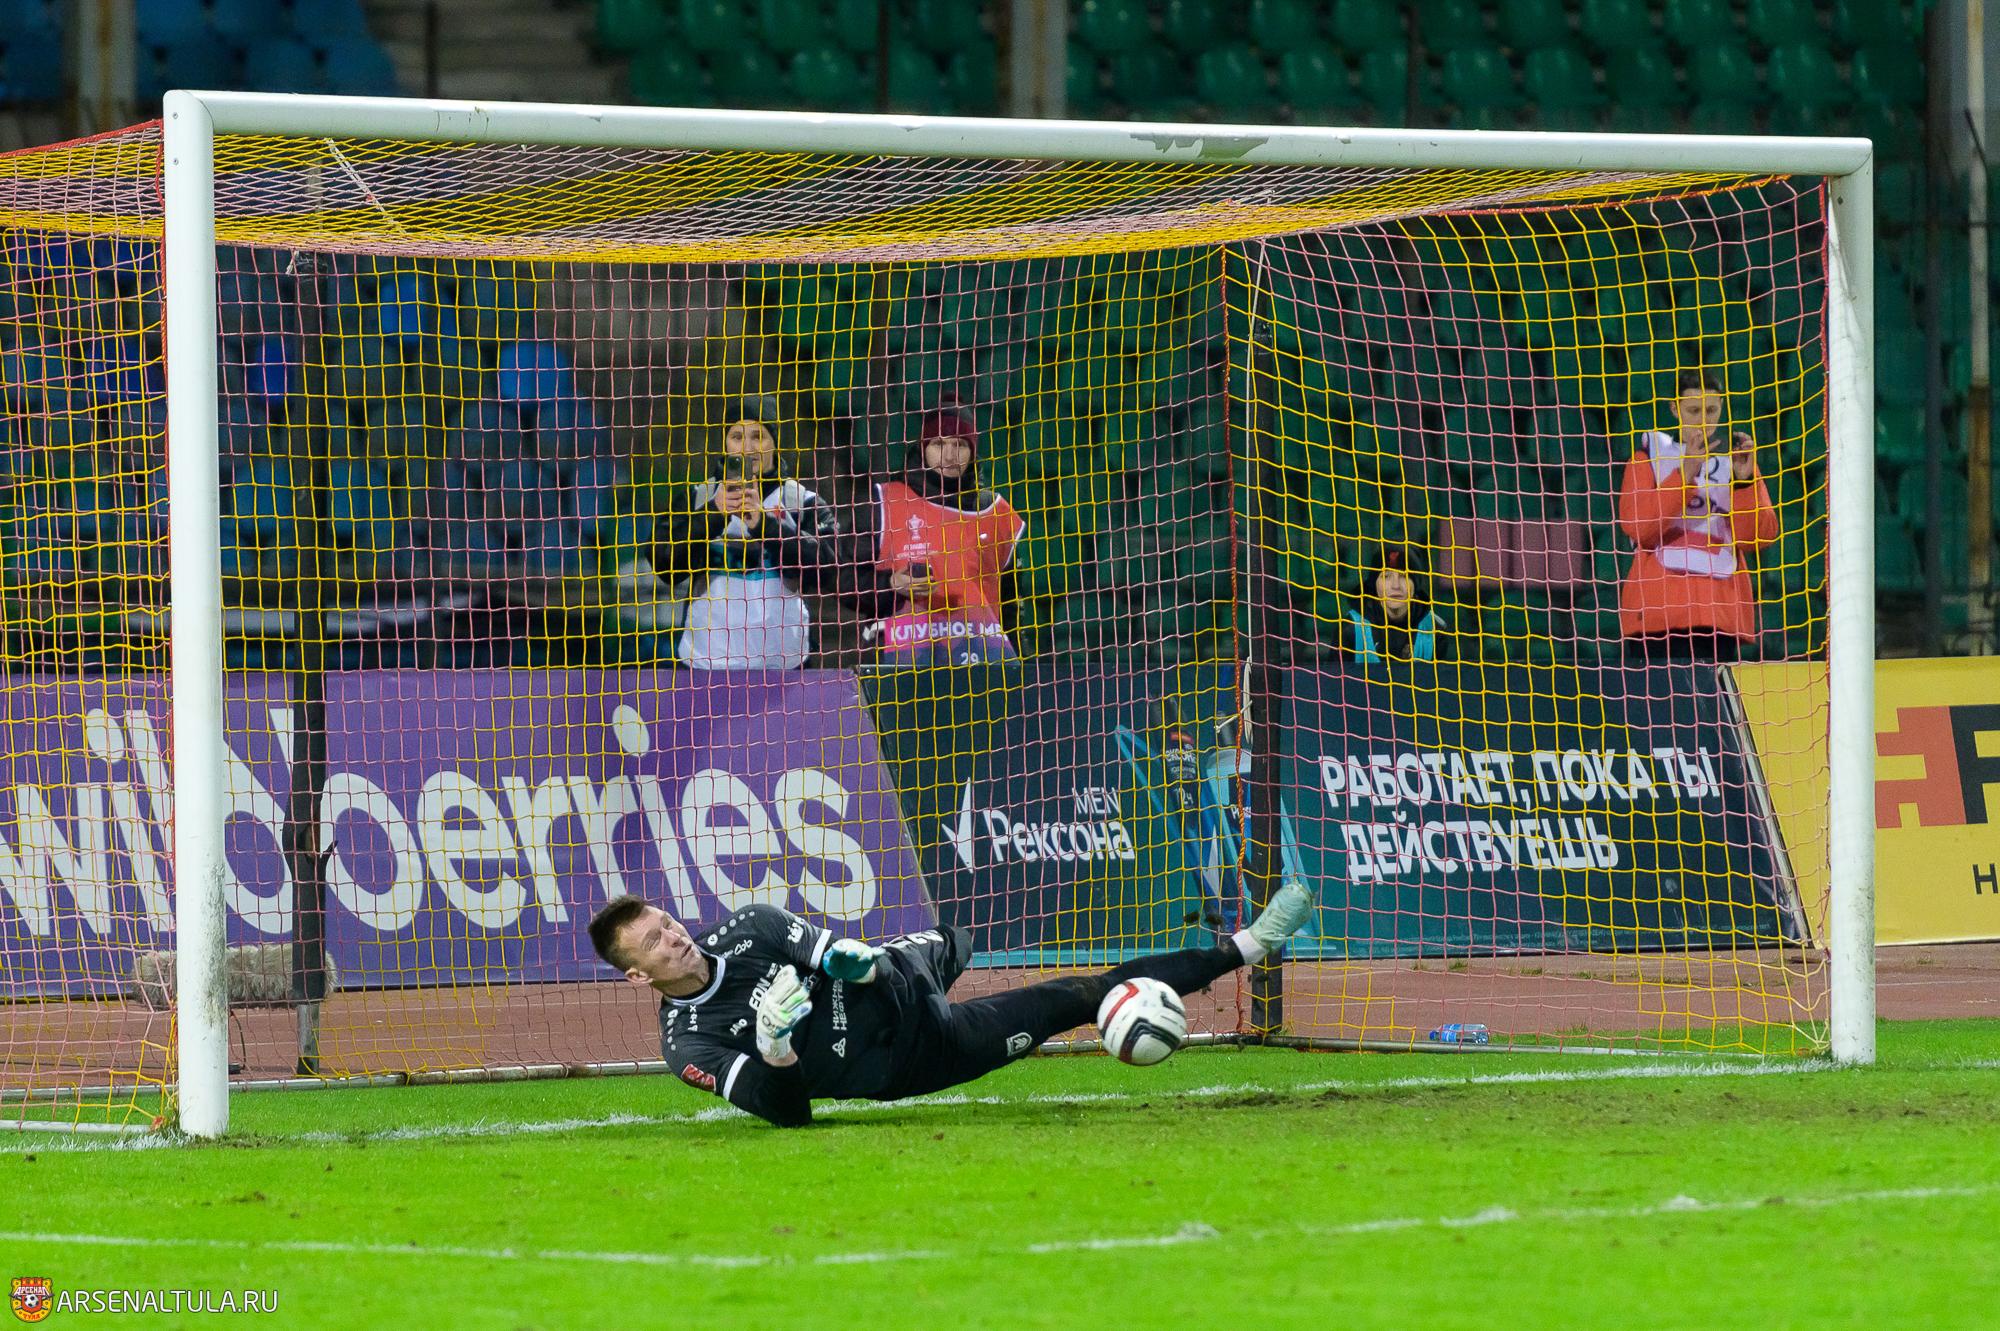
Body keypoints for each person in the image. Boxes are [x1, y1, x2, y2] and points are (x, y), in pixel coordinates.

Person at [586, 880, 1315, 1128]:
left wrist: (852, 960)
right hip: (920, 1054)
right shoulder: (688, 1044)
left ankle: (1247, 942)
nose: (673, 937)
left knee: (955, 937)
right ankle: (1248, 945)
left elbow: (839, 957)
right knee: (1074, 997)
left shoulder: (749, 926)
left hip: (896, 978)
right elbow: (788, 1114)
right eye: (653, 943)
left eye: (666, 922)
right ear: (638, 977)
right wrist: (776, 1048)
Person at [654, 401, 840, 670]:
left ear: (775, 443)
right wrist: (715, 514)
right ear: (725, 444)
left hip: (784, 666)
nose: (748, 447)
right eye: (737, 437)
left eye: (758, 436)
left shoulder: (802, 501)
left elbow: (829, 569)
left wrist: (765, 525)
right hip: (707, 664)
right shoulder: (699, 497)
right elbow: (665, 565)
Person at [840, 402, 1024, 665]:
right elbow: (843, 581)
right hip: (901, 665)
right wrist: (890, 585)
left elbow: (1011, 607)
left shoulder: (996, 513)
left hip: (980, 666)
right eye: (938, 444)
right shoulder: (882, 502)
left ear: (973, 452)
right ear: (923, 448)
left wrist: (1021, 666)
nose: (949, 456)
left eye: (959, 445)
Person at [1616, 371, 1778, 663]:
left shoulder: (1735, 465)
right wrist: (1685, 474)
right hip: (1657, 616)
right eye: (1693, 410)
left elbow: (1760, 537)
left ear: (1722, 408)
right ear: (1674, 409)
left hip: (1718, 616)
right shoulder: (1646, 460)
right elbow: (1639, 527)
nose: (1703, 420)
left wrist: (1744, 483)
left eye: (1711, 410)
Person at [1345, 547, 1447, 664]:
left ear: (1415, 585)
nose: (1396, 586)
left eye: (1404, 576)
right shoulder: (1350, 628)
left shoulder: (1435, 629)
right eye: (1386, 576)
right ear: (1374, 585)